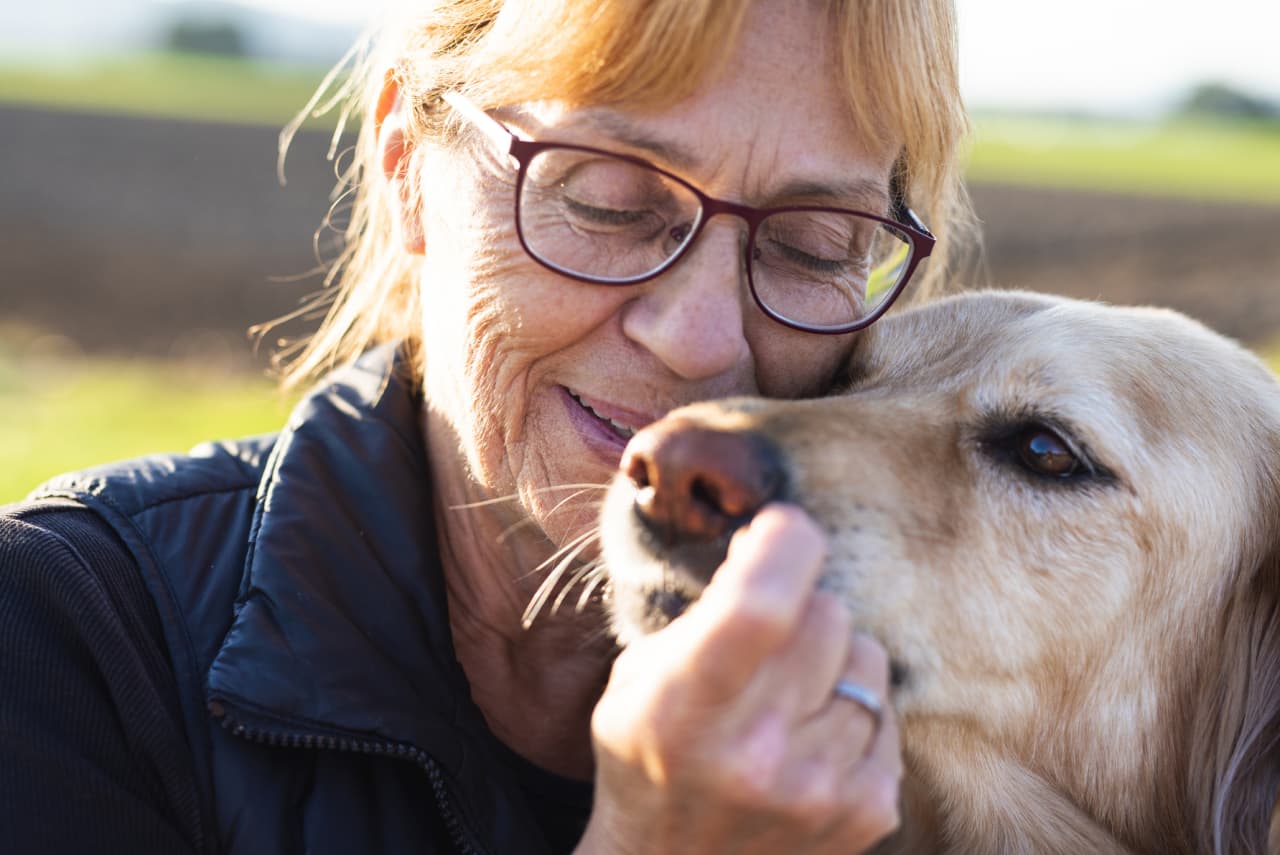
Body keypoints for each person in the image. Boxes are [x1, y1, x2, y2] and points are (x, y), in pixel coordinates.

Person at [0, 0, 971, 852]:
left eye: (813, 248)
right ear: (406, 170)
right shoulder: (67, 638)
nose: (699, 339)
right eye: (608, 200)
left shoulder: (959, 713)